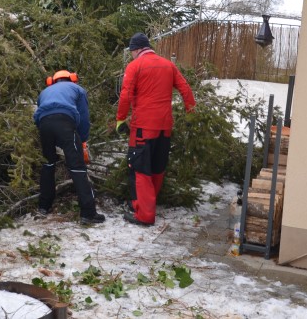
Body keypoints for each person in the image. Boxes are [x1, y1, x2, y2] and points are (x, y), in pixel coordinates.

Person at [117, 33, 195, 226]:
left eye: (131, 52)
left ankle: (144, 214)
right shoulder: (168, 65)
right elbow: (185, 88)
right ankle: (142, 203)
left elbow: (126, 95)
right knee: (157, 167)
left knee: (139, 168)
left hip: (143, 126)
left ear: (136, 50)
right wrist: (191, 112)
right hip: (165, 126)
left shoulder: (135, 66)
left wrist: (120, 119)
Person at [33, 70, 105, 225]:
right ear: (72, 79)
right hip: (65, 123)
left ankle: (43, 207)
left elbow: (42, 115)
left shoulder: (44, 92)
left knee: (48, 164)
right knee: (77, 167)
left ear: (52, 81)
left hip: (44, 126)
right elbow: (84, 117)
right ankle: (88, 213)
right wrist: (82, 140)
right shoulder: (77, 89)